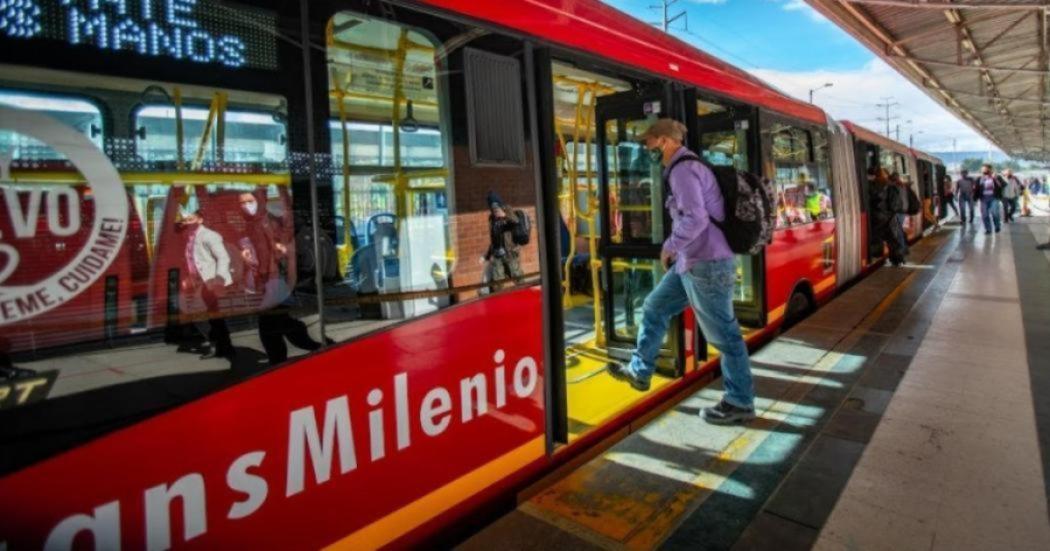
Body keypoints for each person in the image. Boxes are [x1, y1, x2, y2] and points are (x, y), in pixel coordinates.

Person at [605, 118, 755, 425]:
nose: (645, 146)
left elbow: (697, 218)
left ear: (664, 141)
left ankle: (740, 402)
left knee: (726, 337)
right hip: (692, 264)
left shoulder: (684, 170)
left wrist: (669, 246)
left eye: (648, 141)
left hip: (707, 265)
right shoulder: (686, 167)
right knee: (654, 307)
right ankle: (640, 370)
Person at [237, 191, 324, 365]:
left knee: (271, 329)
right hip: (267, 286)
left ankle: (280, 364)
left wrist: (289, 280)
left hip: (276, 284)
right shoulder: (250, 225)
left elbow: (287, 255)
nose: (246, 205)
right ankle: (317, 349)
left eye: (249, 201)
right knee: (281, 329)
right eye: (242, 203)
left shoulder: (270, 224)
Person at [179, 206, 235, 359]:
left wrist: (218, 280)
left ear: (200, 220)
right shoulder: (189, 236)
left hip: (211, 281)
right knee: (214, 317)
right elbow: (192, 260)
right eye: (185, 220)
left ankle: (217, 345)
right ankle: (224, 347)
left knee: (200, 315)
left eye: (191, 219)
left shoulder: (209, 235)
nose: (188, 223)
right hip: (199, 282)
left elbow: (224, 258)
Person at [483, 191, 525, 289]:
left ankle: (525, 295)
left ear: (500, 204)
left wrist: (504, 215)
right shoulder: (491, 218)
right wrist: (487, 255)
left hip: (510, 253)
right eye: (492, 208)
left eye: (496, 207)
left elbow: (516, 221)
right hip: (497, 254)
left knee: (518, 279)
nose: (495, 210)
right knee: (497, 283)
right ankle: (498, 298)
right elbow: (493, 238)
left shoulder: (508, 210)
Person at [870, 168, 908, 266]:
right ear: (886, 175)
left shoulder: (871, 185)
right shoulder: (890, 186)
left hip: (875, 217)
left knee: (877, 238)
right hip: (888, 217)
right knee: (893, 240)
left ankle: (877, 256)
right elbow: (895, 204)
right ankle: (898, 260)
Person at [977, 163, 1004, 234]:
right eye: (982, 170)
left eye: (985, 170)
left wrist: (994, 178)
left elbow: (1001, 186)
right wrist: (975, 198)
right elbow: (976, 188)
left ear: (990, 170)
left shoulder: (997, 177)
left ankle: (997, 226)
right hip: (983, 199)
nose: (984, 171)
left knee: (995, 213)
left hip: (994, 198)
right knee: (985, 215)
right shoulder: (979, 178)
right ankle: (988, 229)